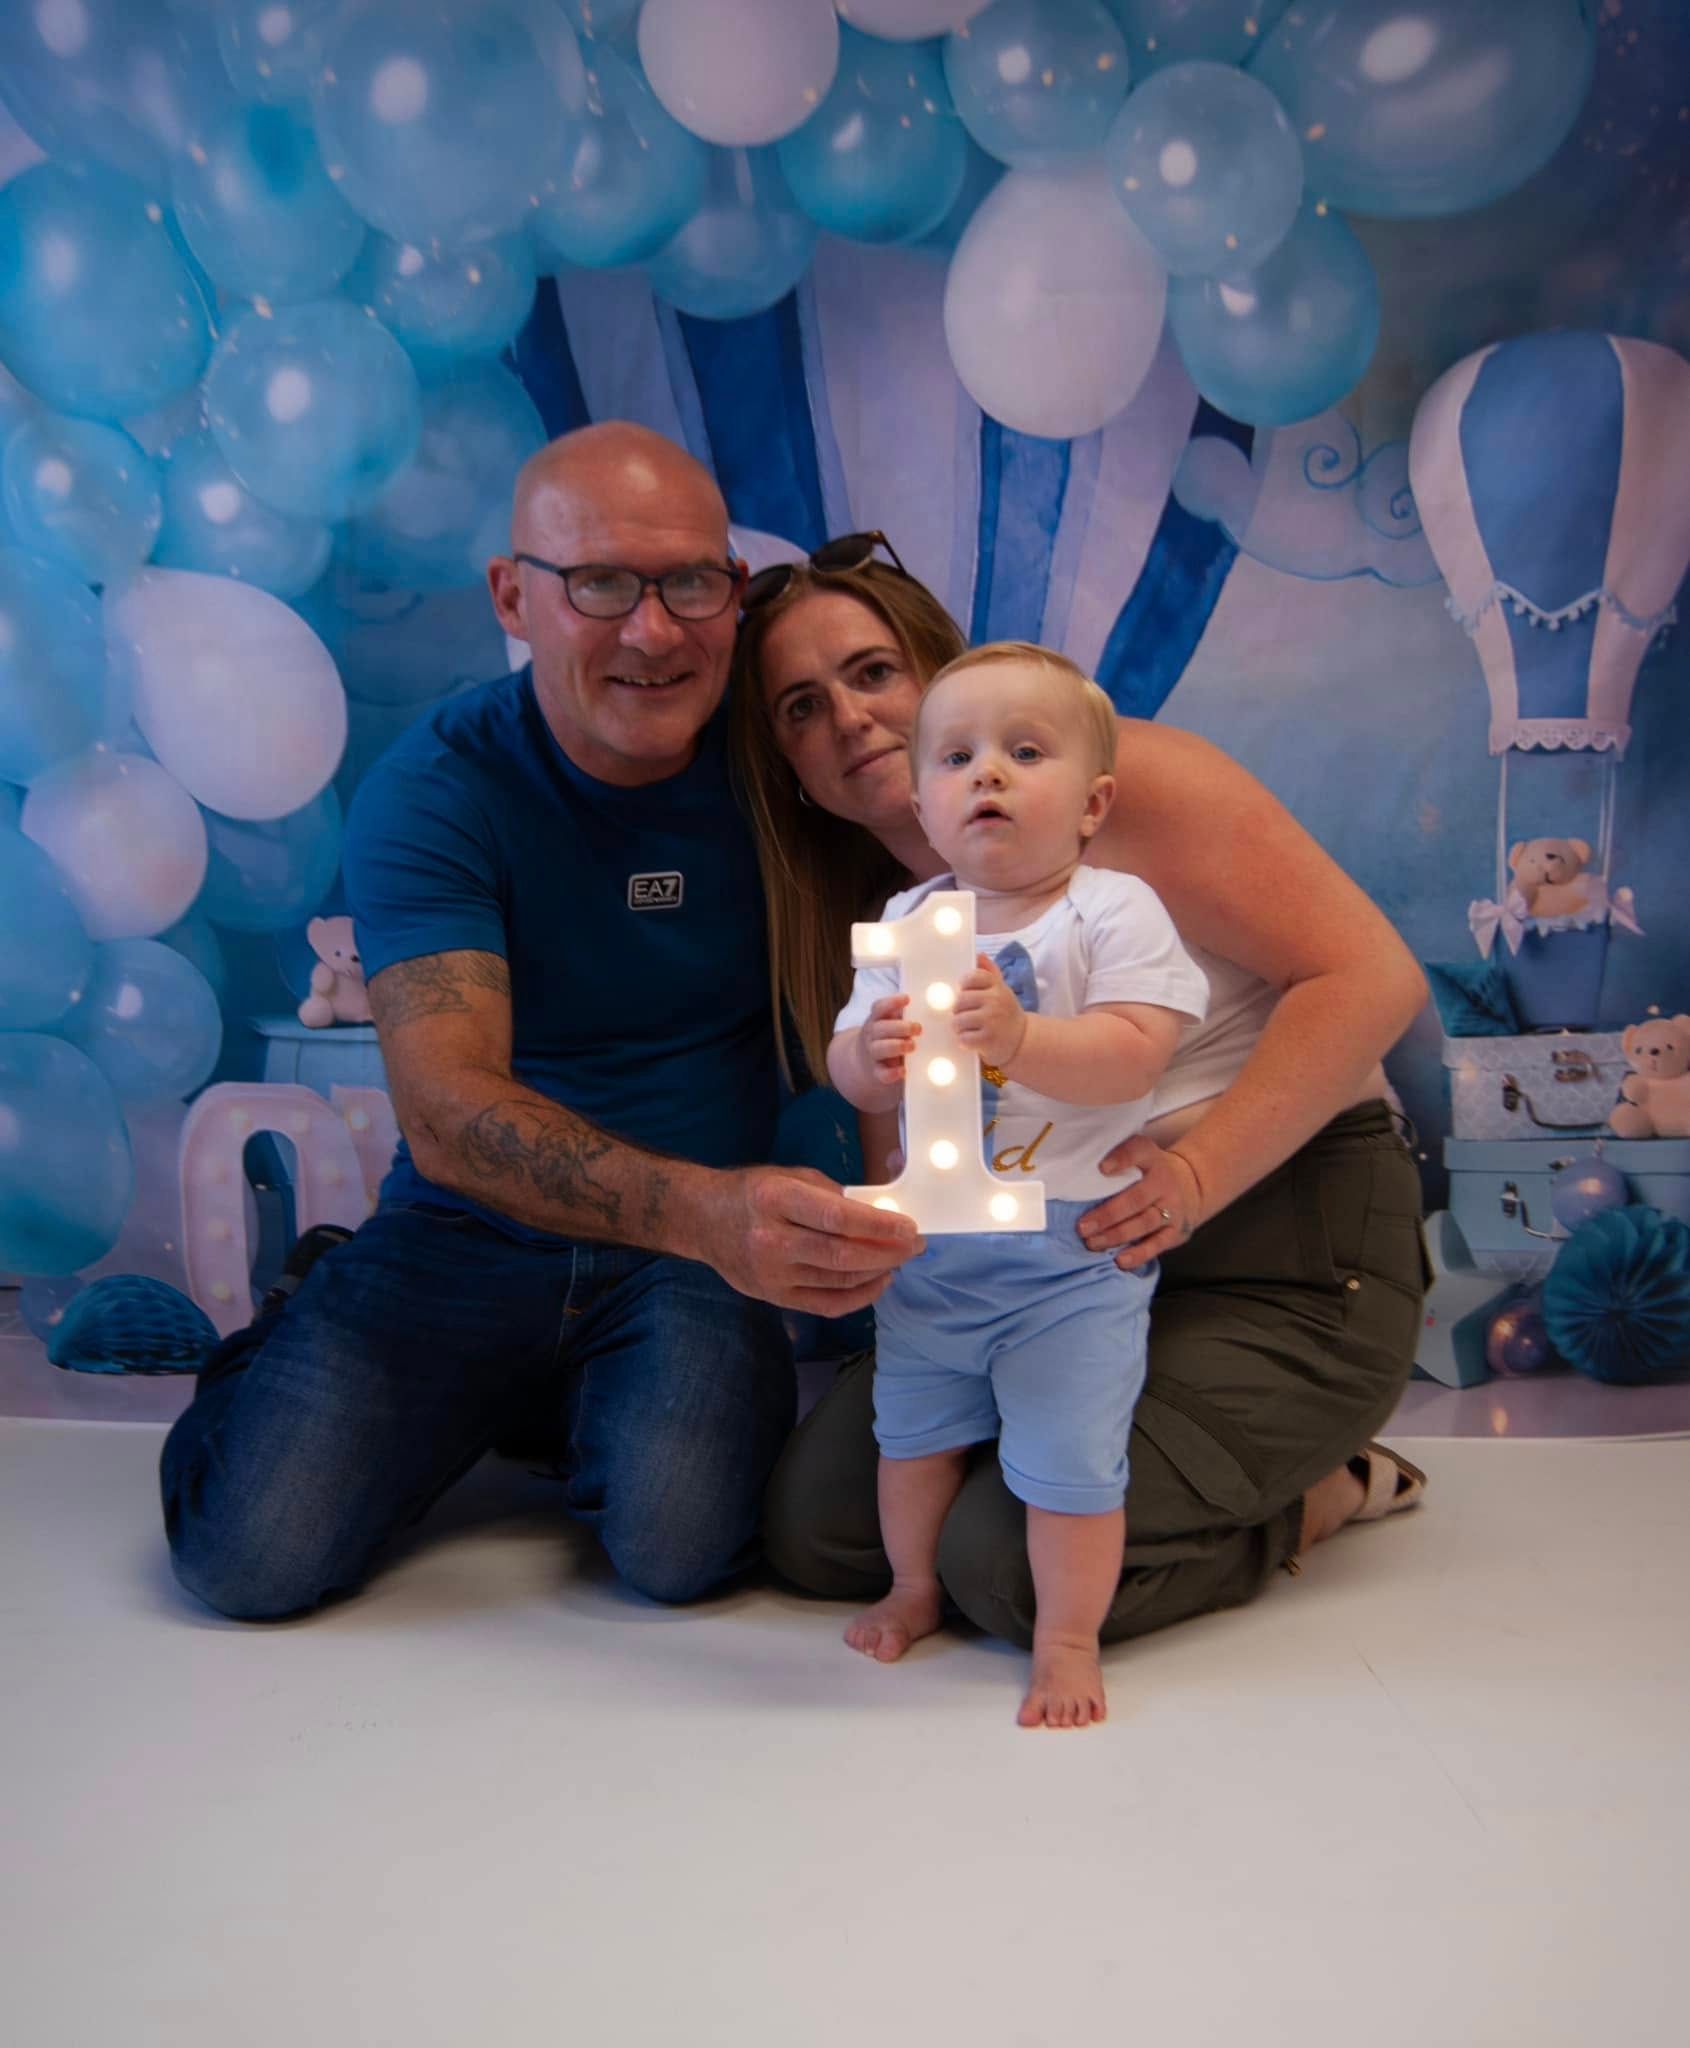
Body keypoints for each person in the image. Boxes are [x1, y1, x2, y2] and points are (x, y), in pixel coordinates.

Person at [158, 427, 919, 1622]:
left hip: (685, 1265)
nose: (653, 630)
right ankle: (311, 1311)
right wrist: (707, 1209)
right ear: (516, 596)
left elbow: (965, 800)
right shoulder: (442, 785)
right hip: (470, 1229)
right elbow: (451, 1111)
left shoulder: (784, 753)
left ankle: (556, 1398)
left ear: (731, 592)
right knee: (246, 1558)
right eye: (602, 583)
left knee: (681, 1550)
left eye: (690, 583)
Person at [731, 536, 1432, 1662]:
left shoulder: (1125, 785)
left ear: (936, 668)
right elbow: (905, 1132)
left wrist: (1198, 1176)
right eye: (800, 706)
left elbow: (1373, 978)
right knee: (818, 1533)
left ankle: (1332, 1488)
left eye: (871, 673)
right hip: (1040, 1264)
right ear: (787, 763)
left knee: (1001, 1566)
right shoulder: (892, 905)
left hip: (1272, 1226)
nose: (847, 720)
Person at [829, 642, 1210, 1727]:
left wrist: (1026, 1034)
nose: (985, 774)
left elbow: (1135, 1052)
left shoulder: (1109, 909)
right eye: (955, 757)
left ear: (1092, 803)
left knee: (1069, 1465)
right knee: (908, 1436)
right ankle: (911, 1586)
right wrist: (868, 1057)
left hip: (1068, 1257)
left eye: (1022, 751)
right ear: (920, 799)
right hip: (936, 1252)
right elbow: (845, 1054)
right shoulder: (910, 920)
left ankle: (1066, 1636)